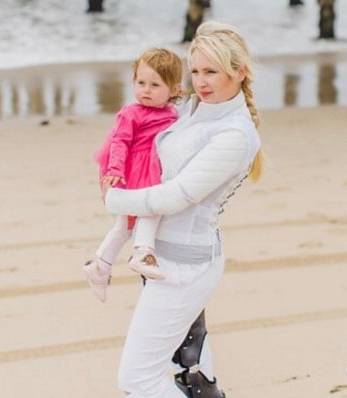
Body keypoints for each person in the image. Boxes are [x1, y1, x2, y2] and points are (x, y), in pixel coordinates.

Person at [100, 22, 263, 397]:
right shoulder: (192, 107)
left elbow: (177, 194)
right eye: (195, 71)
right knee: (186, 374)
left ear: (240, 72)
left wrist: (115, 200)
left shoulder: (235, 135)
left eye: (211, 72)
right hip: (161, 255)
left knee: (136, 379)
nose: (201, 82)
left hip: (185, 266)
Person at [84, 48, 183, 302]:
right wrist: (115, 169)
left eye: (154, 85)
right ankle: (143, 253)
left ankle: (99, 268)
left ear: (173, 89)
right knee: (151, 210)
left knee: (124, 226)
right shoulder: (131, 113)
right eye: (141, 83)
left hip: (155, 169)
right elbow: (119, 141)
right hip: (134, 171)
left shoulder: (173, 114)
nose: (146, 90)